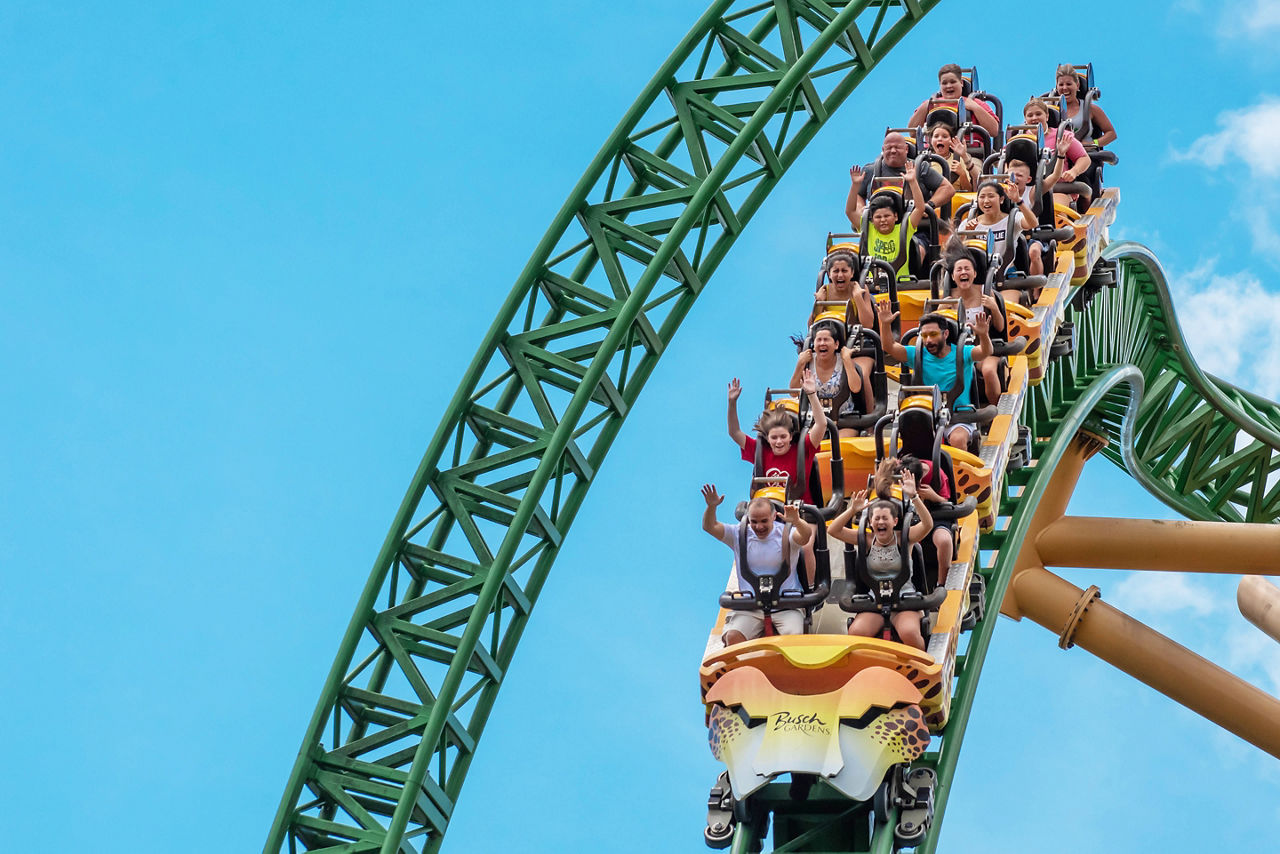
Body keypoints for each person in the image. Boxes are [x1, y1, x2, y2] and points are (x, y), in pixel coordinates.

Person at [826, 473, 933, 650]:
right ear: (869, 522)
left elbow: (927, 525)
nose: (880, 522)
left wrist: (914, 497)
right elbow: (833, 530)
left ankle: (923, 666)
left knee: (909, 633)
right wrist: (852, 510)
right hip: (875, 600)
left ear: (895, 521)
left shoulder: (904, 539)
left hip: (904, 600)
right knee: (856, 632)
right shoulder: (867, 540)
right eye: (876, 518)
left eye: (885, 518)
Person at [701, 485, 813, 646]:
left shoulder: (786, 533)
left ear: (774, 516)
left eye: (764, 521)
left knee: (793, 643)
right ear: (748, 518)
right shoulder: (739, 534)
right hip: (750, 606)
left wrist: (796, 521)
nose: (759, 527)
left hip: (786, 606)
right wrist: (711, 507)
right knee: (733, 637)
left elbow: (805, 536)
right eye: (754, 522)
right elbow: (709, 527)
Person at [877, 302, 992, 449]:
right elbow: (889, 347)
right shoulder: (917, 355)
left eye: (933, 334)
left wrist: (983, 335)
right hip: (926, 417)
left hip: (959, 419)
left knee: (957, 439)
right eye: (924, 336)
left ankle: (957, 470)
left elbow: (985, 351)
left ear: (945, 334)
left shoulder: (962, 352)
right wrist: (885, 324)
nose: (929, 340)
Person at [727, 370, 828, 499]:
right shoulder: (760, 450)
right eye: (774, 438)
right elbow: (734, 432)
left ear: (791, 436)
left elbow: (821, 425)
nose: (779, 441)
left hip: (801, 513)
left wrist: (812, 394)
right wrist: (732, 403)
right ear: (767, 438)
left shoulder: (804, 448)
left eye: (783, 436)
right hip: (769, 512)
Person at [846, 132, 955, 228]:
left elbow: (947, 188)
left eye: (897, 147)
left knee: (917, 249)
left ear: (906, 149)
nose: (893, 151)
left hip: (915, 227)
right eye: (889, 148)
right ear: (883, 150)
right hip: (879, 229)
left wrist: (929, 205)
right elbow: (858, 195)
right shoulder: (870, 170)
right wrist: (860, 208)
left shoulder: (920, 167)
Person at [946, 248, 1006, 404]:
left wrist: (994, 307)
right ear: (953, 276)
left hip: (984, 348)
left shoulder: (985, 293)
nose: (963, 272)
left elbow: (1000, 327)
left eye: (967, 269)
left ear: (975, 274)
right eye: (959, 269)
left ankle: (996, 414)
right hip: (959, 350)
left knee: (988, 371)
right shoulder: (948, 297)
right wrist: (940, 312)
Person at [791, 322, 868, 437]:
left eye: (826, 340)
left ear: (836, 344)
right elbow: (793, 392)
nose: (822, 343)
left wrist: (847, 360)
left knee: (839, 447)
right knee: (809, 446)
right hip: (815, 420)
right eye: (819, 340)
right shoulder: (808, 362)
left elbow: (856, 388)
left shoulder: (843, 361)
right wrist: (800, 364)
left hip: (845, 419)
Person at [859, 161, 929, 282]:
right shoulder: (869, 228)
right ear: (872, 218)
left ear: (896, 216)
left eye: (887, 216)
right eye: (878, 217)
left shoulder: (904, 228)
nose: (883, 220)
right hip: (873, 285)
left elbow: (920, 208)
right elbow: (849, 211)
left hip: (901, 283)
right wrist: (856, 186)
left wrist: (912, 181)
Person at [1023, 98, 1091, 208]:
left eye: (1038, 114)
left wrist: (1074, 171)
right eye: (1030, 115)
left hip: (1059, 189)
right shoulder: (1021, 139)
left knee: (1054, 209)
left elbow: (1084, 158)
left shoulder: (1061, 135)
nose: (1034, 118)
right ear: (1025, 119)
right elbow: (1004, 161)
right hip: (1027, 191)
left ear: (1047, 116)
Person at [960, 179, 1038, 276]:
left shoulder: (1013, 218)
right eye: (982, 197)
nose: (986, 201)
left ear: (1001, 199)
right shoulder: (969, 223)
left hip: (1006, 273)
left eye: (991, 196)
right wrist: (966, 234)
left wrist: (1019, 201)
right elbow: (955, 251)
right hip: (978, 276)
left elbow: (1033, 223)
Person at [906, 63, 1000, 141]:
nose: (948, 86)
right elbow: (912, 132)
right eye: (944, 83)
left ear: (961, 83)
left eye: (952, 82)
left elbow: (994, 131)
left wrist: (975, 108)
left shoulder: (975, 103)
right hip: (935, 154)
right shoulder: (931, 104)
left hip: (969, 153)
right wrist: (925, 107)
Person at [1054, 64, 1117, 148]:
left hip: (1086, 155)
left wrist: (1092, 143)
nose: (1065, 88)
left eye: (1069, 84)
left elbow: (1111, 134)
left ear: (1077, 86)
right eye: (1061, 85)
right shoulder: (1050, 110)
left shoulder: (1090, 109)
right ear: (1057, 87)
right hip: (1059, 156)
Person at [927, 121, 979, 192]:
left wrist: (962, 174)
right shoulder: (926, 161)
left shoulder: (959, 160)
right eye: (936, 136)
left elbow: (969, 191)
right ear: (931, 141)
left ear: (951, 140)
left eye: (944, 136)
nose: (940, 139)